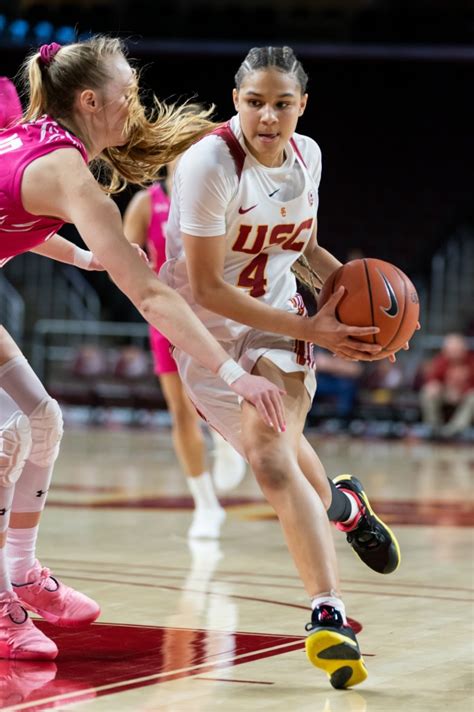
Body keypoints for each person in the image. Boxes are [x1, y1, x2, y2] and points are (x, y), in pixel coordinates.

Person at [0, 37, 286, 661]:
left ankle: (21, 573)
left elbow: (12, 209)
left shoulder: (35, 139)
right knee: (9, 436)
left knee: (43, 420)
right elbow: (153, 298)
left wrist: (81, 254)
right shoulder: (68, 172)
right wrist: (233, 373)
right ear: (90, 100)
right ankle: (1, 606)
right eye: (127, 95)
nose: (135, 105)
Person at [160, 45, 405, 689]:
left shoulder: (308, 156)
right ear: (234, 100)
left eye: (282, 103)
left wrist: (368, 322)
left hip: (274, 324)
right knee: (282, 453)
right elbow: (209, 290)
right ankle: (344, 507)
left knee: (270, 456)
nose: (268, 116)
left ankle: (329, 613)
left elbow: (305, 250)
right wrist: (316, 328)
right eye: (254, 102)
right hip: (205, 337)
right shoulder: (209, 162)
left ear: (302, 105)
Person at [123, 163, 246, 539]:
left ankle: (226, 441)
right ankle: (206, 505)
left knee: (216, 399)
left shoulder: (218, 198)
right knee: (180, 410)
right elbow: (121, 258)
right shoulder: (148, 203)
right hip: (167, 317)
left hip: (212, 313)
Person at [419, 333, 474, 438]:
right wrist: (435, 385)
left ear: (463, 348)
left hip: (466, 396)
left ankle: (455, 429)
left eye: (455, 349)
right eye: (449, 349)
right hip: (446, 394)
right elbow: (432, 378)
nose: (452, 352)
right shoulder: (441, 360)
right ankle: (433, 428)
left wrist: (461, 392)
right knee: (427, 392)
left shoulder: (471, 361)